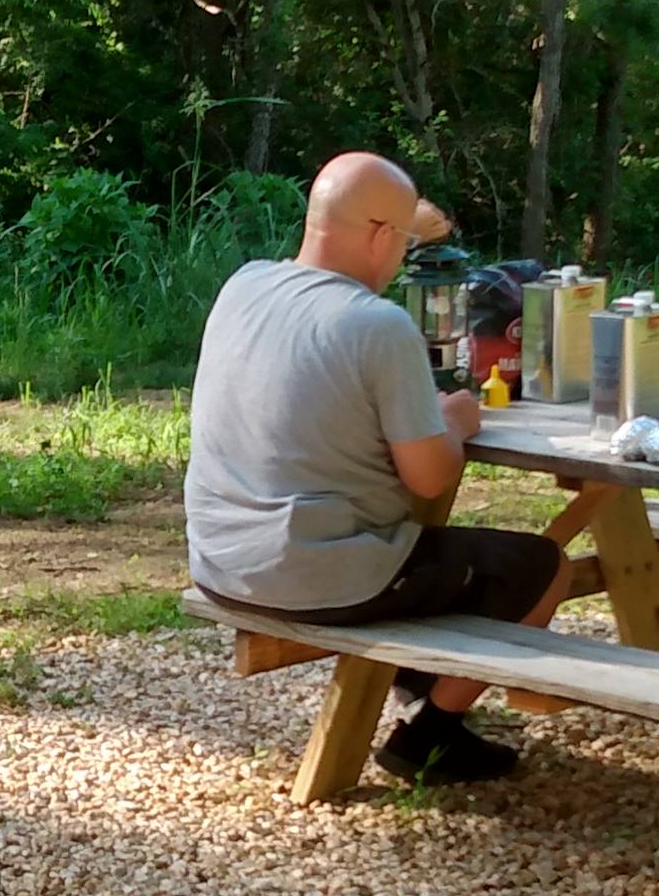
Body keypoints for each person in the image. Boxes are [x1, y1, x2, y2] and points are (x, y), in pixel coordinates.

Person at [185, 152, 576, 784]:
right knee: (541, 567)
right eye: (403, 240)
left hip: (219, 563)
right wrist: (453, 422)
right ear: (378, 236)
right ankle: (430, 739)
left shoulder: (244, 285)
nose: (402, 259)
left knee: (430, 558)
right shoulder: (377, 324)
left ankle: (421, 690)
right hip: (313, 576)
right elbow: (430, 478)